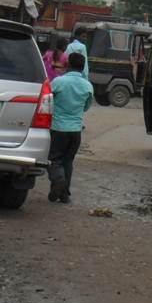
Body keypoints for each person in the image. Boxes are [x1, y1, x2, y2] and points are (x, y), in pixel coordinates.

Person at [48, 51, 94, 204]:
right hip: (75, 130)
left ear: (67, 65)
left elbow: (47, 101)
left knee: (54, 159)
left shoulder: (58, 82)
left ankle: (58, 180)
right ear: (82, 68)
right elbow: (86, 107)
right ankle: (64, 194)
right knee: (68, 161)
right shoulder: (88, 86)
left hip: (58, 128)